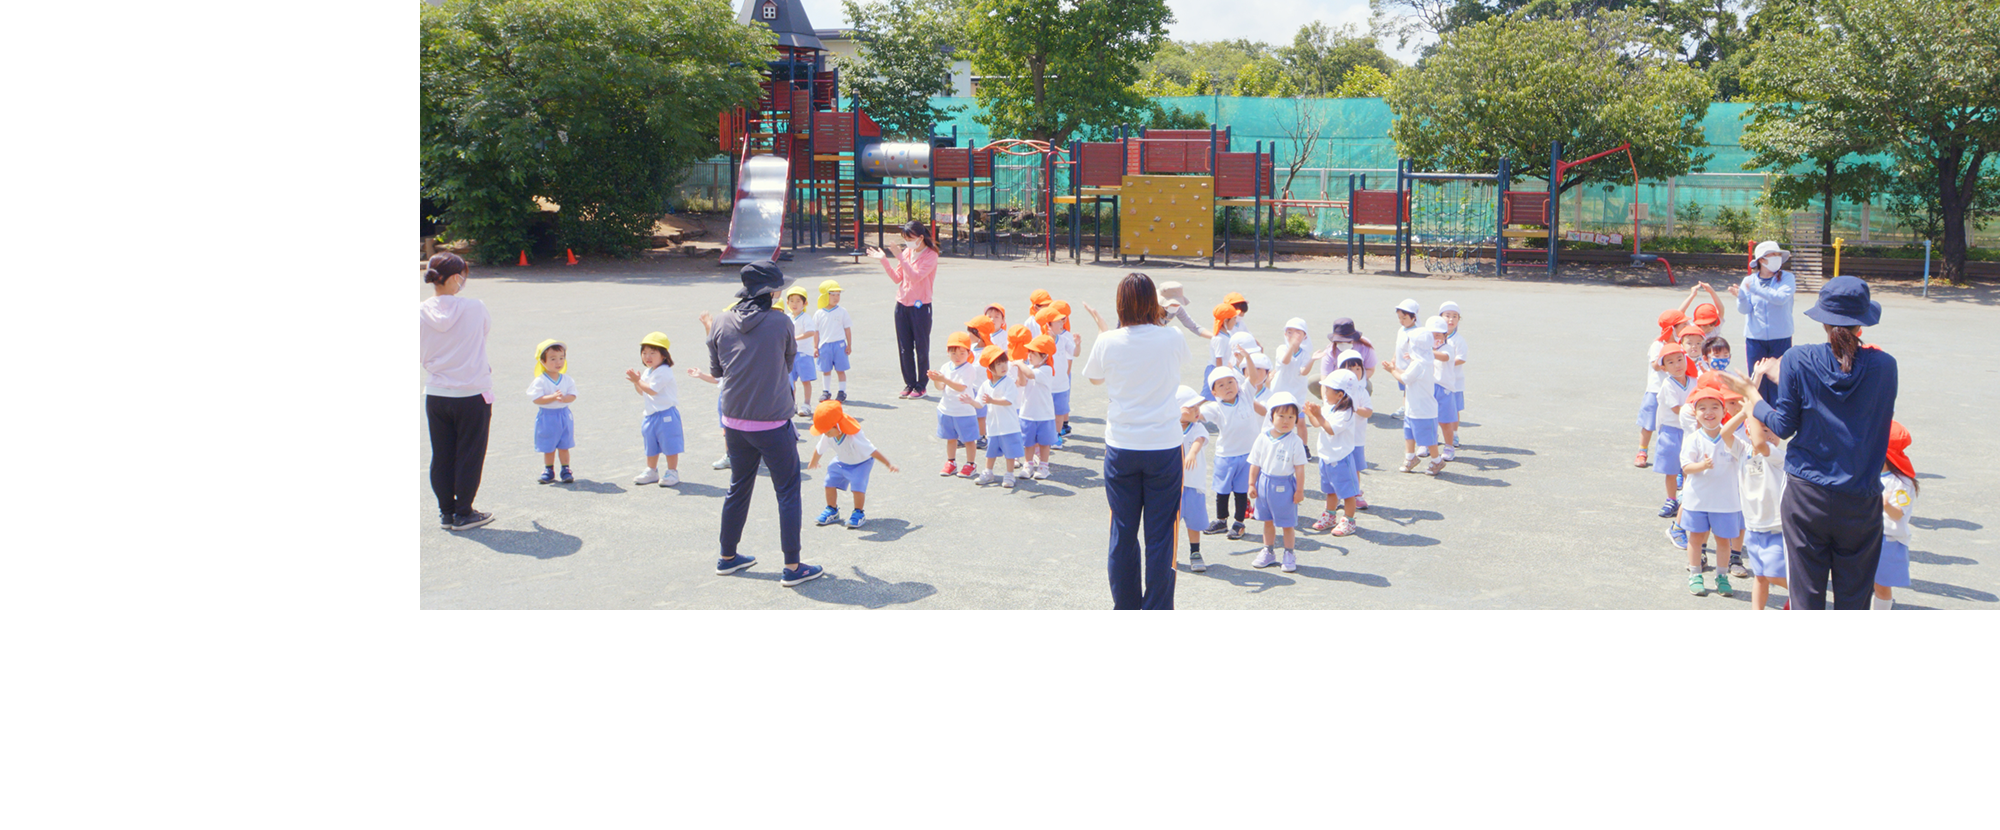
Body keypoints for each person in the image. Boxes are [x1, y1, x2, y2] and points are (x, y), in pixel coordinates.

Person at [1721, 276, 1897, 610]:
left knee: (1806, 596)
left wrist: (1752, 395)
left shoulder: (1797, 359)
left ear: (1823, 321)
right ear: (1862, 324)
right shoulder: (1885, 366)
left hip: (1806, 494)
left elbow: (1783, 426)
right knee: (1855, 598)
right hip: (1860, 496)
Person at [705, 262, 822, 587]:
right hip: (771, 421)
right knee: (787, 490)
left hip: (733, 421)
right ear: (771, 292)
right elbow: (787, 363)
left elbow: (716, 371)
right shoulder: (780, 321)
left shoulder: (721, 320)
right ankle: (793, 565)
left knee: (738, 486)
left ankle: (727, 556)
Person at [1082, 273, 1190, 610]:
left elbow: (1096, 378)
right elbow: (1181, 365)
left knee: (1123, 532)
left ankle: (1125, 608)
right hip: (1164, 445)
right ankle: (1156, 610)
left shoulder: (1108, 340)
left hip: (1122, 445)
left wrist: (1105, 332)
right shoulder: (1171, 337)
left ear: (1120, 304)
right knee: (1161, 535)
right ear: (1153, 304)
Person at [420, 253, 495, 532]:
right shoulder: (475, 308)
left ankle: (447, 512)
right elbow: (482, 335)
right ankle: (465, 512)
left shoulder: (419, 312)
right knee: (469, 454)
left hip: (437, 392)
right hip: (472, 392)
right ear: (454, 278)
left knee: (442, 454)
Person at [1678, 386, 1750, 597]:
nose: (1708, 412)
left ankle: (1722, 577)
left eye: (1714, 407)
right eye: (1702, 408)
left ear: (1723, 410)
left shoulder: (1732, 439)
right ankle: (1695, 574)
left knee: (1723, 541)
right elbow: (1685, 467)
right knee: (1696, 538)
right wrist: (1701, 466)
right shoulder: (1693, 439)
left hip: (1726, 502)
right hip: (1698, 501)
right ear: (1695, 413)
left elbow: (1746, 456)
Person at [869, 221, 939, 400]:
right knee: (904, 347)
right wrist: (884, 260)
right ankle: (909, 383)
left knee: (921, 347)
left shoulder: (931, 256)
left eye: (910, 238)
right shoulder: (907, 252)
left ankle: (921, 385)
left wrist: (900, 257)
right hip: (902, 305)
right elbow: (897, 277)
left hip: (920, 306)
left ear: (921, 237)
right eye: (905, 239)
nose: (907, 242)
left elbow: (916, 277)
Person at [1739, 369, 1790, 610]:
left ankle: (1807, 595)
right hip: (1753, 524)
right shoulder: (1744, 452)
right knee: (1759, 577)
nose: (1768, 436)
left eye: (1771, 431)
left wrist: (1751, 409)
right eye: (1763, 429)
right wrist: (1747, 409)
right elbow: (1729, 433)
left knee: (1772, 575)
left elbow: (1760, 442)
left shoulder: (1778, 456)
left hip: (1775, 525)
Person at [806, 400, 898, 530]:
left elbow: (872, 451)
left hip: (861, 463)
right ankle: (832, 510)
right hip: (841, 461)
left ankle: (858, 512)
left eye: (827, 431)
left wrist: (888, 464)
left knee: (857, 487)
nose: (825, 434)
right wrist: (814, 461)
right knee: (829, 482)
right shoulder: (828, 434)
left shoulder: (854, 436)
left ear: (837, 426)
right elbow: (819, 449)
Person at [1248, 392, 1309, 572]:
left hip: (1285, 486)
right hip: (1264, 484)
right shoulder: (1263, 438)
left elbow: (1299, 468)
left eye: (1291, 417)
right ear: (1271, 416)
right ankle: (1268, 551)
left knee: (1287, 523)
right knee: (1267, 521)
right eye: (1281, 416)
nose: (1286, 420)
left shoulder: (1295, 441)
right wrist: (1251, 484)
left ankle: (1289, 553)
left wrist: (1299, 490)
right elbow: (1255, 463)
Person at [1733, 241, 1797, 402]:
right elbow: (1745, 309)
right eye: (1773, 255)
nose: (1777, 259)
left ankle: (1779, 418)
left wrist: (1756, 290)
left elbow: (1780, 298)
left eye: (1778, 256)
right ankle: (1757, 418)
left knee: (1779, 379)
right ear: (1761, 260)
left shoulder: (1787, 278)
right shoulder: (1749, 280)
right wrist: (1741, 296)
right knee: (1757, 380)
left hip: (1781, 337)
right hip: (1755, 338)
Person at [1200, 367, 1258, 540]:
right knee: (1222, 491)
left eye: (1231, 382)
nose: (1227, 387)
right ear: (1214, 392)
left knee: (1241, 492)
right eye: (1221, 385)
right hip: (1225, 455)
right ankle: (1221, 520)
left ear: (1238, 383)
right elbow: (1198, 415)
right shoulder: (1215, 407)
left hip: (1247, 455)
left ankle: (1239, 523)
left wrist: (1247, 355)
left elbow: (1253, 376)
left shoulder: (1246, 395)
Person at [1386, 315, 1447, 475]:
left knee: (1428, 439)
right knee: (1409, 433)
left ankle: (1436, 460)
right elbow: (1408, 374)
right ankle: (1410, 457)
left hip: (1423, 410)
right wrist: (1396, 368)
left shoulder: (1419, 364)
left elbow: (1405, 378)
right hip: (1414, 408)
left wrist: (1392, 371)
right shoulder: (1423, 361)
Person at [1307, 372, 1364, 537]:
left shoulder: (1346, 413)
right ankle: (1330, 515)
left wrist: (1318, 415)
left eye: (1327, 389)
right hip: (1326, 457)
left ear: (1340, 394)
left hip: (1340, 458)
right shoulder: (1329, 406)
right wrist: (1312, 414)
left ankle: (1349, 520)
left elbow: (1331, 429)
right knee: (1330, 490)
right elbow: (1319, 424)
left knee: (1348, 493)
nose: (1324, 392)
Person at [626, 332, 682, 487]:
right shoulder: (648, 371)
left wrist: (638, 381)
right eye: (644, 353)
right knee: (651, 444)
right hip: (650, 415)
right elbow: (642, 392)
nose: (647, 357)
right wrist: (636, 383)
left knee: (670, 444)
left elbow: (652, 390)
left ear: (664, 355)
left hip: (666, 414)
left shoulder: (664, 371)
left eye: (652, 353)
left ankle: (672, 472)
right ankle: (651, 470)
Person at [926, 331, 984, 478]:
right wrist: (935, 379)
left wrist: (943, 379)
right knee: (950, 439)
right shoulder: (946, 366)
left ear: (969, 353)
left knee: (969, 440)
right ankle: (951, 462)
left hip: (964, 411)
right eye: (953, 353)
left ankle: (971, 464)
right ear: (948, 353)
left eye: (962, 353)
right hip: (946, 409)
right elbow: (941, 388)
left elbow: (961, 387)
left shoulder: (969, 369)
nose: (957, 357)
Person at [1636, 309, 1689, 468]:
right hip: (1656, 390)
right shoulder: (1658, 344)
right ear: (1672, 328)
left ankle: (1681, 457)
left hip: (1676, 390)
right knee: (1648, 423)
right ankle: (1642, 451)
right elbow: (1655, 365)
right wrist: (1667, 356)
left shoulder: (1682, 343)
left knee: (1677, 423)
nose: (1686, 326)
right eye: (1683, 325)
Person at [969, 345, 1026, 488]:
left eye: (1004, 363)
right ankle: (988, 472)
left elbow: (1008, 401)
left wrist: (992, 401)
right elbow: (979, 404)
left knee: (1010, 453)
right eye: (998, 364)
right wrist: (970, 401)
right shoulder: (985, 385)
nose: (1003, 367)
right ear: (990, 368)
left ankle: (1009, 474)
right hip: (993, 426)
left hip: (1009, 426)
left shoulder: (1009, 382)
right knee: (991, 452)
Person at [1875, 421, 1917, 610]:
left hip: (1887, 540)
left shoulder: (1902, 482)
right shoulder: (1868, 472)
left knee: (1882, 586)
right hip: (1863, 535)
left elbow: (1899, 513)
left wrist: (1883, 503)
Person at [526, 339, 577, 484]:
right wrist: (552, 397)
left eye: (561, 358)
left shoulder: (567, 379)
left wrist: (565, 398)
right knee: (549, 445)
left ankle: (566, 469)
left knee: (564, 444)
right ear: (542, 361)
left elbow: (573, 395)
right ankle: (548, 469)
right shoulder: (540, 381)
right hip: (547, 416)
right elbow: (537, 399)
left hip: (563, 415)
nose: (558, 362)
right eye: (553, 359)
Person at [1173, 386, 1211, 573]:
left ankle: (1195, 552)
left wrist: (1192, 454)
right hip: (1172, 485)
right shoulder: (1169, 427)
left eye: (1198, 407)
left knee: (1194, 522)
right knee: (1170, 522)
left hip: (1193, 485)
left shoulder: (1198, 427)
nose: (1197, 411)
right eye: (1191, 407)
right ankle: (1170, 554)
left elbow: (1199, 440)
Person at [1018, 335, 1059, 480]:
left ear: (1044, 356)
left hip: (1044, 414)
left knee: (1044, 443)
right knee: (1028, 442)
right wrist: (1019, 367)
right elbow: (1022, 382)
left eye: (1033, 354)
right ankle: (1028, 465)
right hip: (1027, 413)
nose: (1029, 356)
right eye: (1029, 352)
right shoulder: (1028, 367)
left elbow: (1029, 374)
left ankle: (1043, 466)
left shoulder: (1046, 369)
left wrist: (1019, 363)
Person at [813, 280, 853, 402]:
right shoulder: (819, 313)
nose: (836, 297)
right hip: (825, 345)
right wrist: (815, 346)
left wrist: (849, 344)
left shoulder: (842, 311)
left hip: (839, 344)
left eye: (838, 294)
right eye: (832, 294)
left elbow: (847, 328)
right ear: (825, 295)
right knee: (826, 370)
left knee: (840, 369)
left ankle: (842, 391)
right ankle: (826, 391)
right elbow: (816, 331)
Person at [1437, 301, 1467, 451]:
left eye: (1455, 316)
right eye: (1447, 316)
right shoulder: (1434, 337)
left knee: (1454, 410)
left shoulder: (1459, 340)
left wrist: (1446, 362)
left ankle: (1454, 434)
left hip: (1455, 383)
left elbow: (1461, 358)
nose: (1451, 319)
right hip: (1438, 381)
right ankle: (1434, 435)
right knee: (1435, 409)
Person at [783, 286, 817, 416]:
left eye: (798, 301)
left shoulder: (806, 318)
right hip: (790, 354)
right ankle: (792, 404)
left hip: (804, 354)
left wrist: (795, 338)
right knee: (791, 382)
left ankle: (807, 404)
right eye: (791, 300)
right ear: (787, 303)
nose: (794, 304)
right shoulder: (787, 317)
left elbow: (810, 332)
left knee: (805, 380)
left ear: (805, 303)